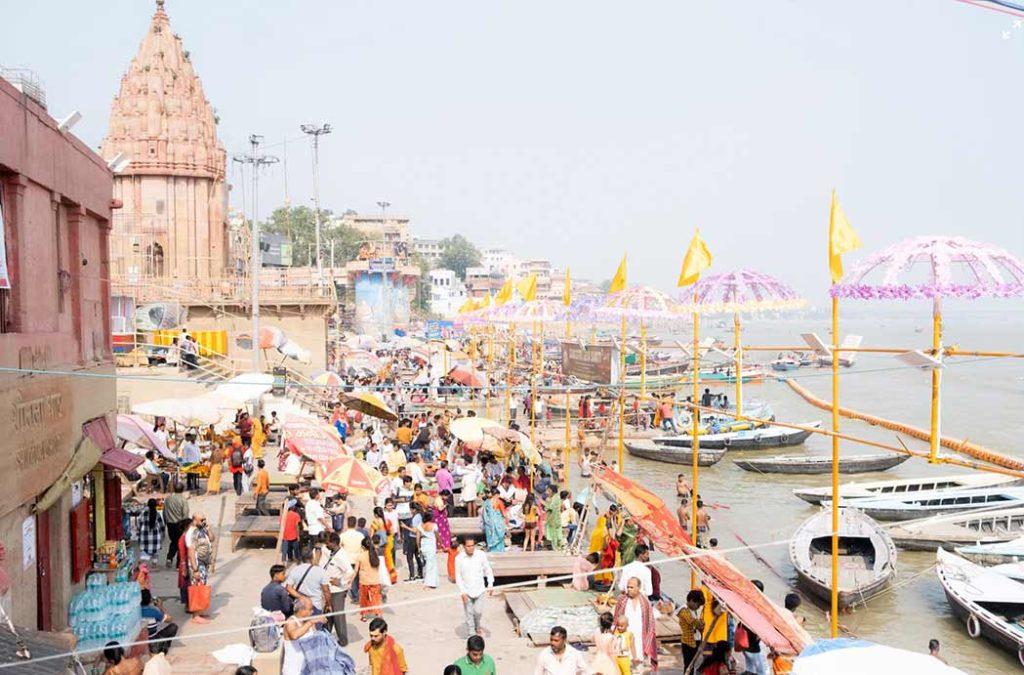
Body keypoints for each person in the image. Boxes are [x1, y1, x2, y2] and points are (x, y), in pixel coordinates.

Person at [612, 577, 657, 671]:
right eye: (628, 587)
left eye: (631, 587)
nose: (628, 589)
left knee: (639, 667)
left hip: (640, 639)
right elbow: (616, 619)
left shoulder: (645, 602)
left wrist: (649, 640)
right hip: (624, 639)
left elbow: (650, 623)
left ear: (638, 588)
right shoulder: (622, 600)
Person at [320, 532, 354, 645]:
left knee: (338, 615)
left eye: (328, 542)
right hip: (328, 589)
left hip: (337, 591)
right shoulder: (329, 551)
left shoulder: (341, 556)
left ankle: (343, 640)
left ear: (334, 543)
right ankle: (325, 637)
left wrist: (340, 581)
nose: (326, 544)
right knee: (327, 613)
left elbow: (350, 572)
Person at [455, 536, 494, 637]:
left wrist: (490, 584)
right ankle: (472, 632)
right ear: (463, 546)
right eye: (468, 546)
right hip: (466, 590)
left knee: (478, 611)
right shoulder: (459, 558)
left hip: (479, 589)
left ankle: (477, 625)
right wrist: (462, 592)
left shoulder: (481, 555)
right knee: (469, 612)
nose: (471, 548)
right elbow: (458, 576)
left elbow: (488, 570)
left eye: (472, 546)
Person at [282, 596, 327, 675]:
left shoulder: (308, 622)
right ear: (301, 610)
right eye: (310, 609)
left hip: (309, 668)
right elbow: (294, 635)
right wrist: (311, 622)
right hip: (294, 670)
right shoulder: (291, 622)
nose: (312, 611)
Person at [184, 512, 215, 623]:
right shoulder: (191, 533)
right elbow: (191, 551)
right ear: (194, 520)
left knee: (201, 586)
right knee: (197, 588)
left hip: (204, 562)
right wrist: (195, 569)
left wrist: (208, 529)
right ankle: (195, 615)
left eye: (204, 519)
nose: (203, 521)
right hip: (197, 564)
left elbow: (212, 539)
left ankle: (200, 612)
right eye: (201, 520)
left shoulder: (202, 529)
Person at [285, 548, 331, 615]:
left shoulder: (295, 570)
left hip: (300, 604)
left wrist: (301, 597)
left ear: (302, 558)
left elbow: (288, 587)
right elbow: (326, 591)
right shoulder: (321, 572)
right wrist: (328, 604)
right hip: (315, 604)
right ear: (312, 557)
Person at [140, 589, 178, 654]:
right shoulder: (153, 611)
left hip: (141, 642)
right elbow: (169, 619)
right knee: (173, 627)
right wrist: (160, 606)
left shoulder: (135, 612)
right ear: (150, 600)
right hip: (152, 642)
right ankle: (163, 649)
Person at [354, 536, 383, 620]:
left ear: (363, 547)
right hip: (375, 580)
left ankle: (364, 616)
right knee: (376, 598)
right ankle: (378, 614)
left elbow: (356, 570)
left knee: (364, 599)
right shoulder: (375, 554)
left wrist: (350, 581)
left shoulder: (360, 556)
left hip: (364, 581)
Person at [676, 589, 706, 670]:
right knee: (689, 666)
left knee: (692, 665)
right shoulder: (684, 610)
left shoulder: (692, 610)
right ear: (692, 601)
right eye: (698, 605)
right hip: (688, 643)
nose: (698, 607)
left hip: (695, 640)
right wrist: (700, 624)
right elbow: (692, 622)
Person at [163, 482, 190, 569]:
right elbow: (185, 514)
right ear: (182, 490)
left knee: (174, 541)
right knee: (181, 544)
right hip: (180, 524)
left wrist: (165, 522)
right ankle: (178, 564)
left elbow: (164, 511)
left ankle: (169, 558)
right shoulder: (183, 500)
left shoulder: (168, 499)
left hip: (170, 524)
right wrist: (186, 526)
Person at [418, 511, 439, 588]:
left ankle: (429, 580)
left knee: (427, 563)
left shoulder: (420, 525)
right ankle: (430, 582)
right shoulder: (434, 525)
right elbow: (437, 536)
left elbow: (418, 538)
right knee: (431, 564)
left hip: (424, 545)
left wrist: (418, 547)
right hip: (431, 545)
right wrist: (441, 544)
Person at [543, 487, 564, 551]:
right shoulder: (555, 498)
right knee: (556, 535)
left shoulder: (555, 498)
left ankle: (556, 549)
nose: (548, 493)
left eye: (549, 491)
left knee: (554, 535)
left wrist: (544, 504)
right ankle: (558, 548)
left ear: (552, 491)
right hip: (553, 519)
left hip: (554, 519)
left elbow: (551, 507)